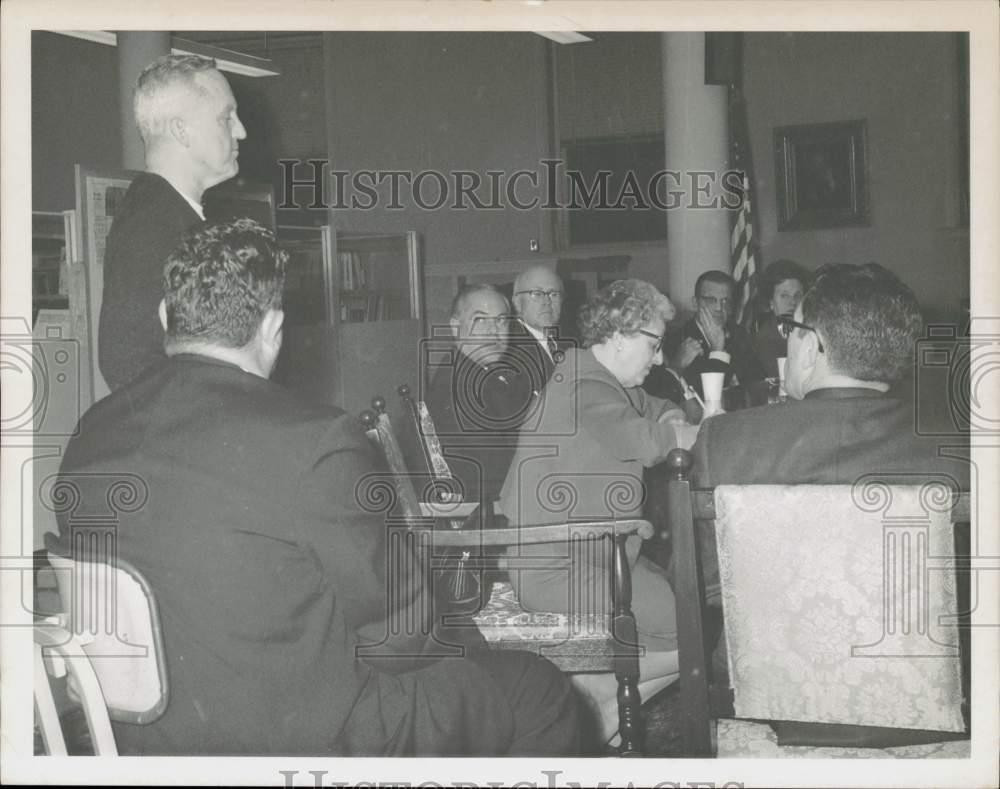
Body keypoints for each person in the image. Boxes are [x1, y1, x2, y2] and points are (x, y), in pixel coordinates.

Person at [50, 219, 580, 756]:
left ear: (166, 317)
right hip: (296, 739)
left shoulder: (91, 432)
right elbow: (402, 632)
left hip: (143, 741)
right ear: (273, 327)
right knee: (536, 688)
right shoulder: (312, 438)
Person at [498, 279, 700, 742]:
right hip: (556, 566)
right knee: (691, 632)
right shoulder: (586, 388)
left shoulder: (606, 381)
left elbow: (663, 407)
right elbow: (650, 440)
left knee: (684, 607)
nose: (660, 358)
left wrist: (671, 417)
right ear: (619, 335)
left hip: (595, 550)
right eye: (654, 345)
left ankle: (598, 701)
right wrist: (681, 430)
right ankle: (591, 699)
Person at [98, 54, 247, 391]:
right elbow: (125, 361)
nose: (241, 130)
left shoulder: (167, 212)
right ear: (182, 130)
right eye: (227, 117)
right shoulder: (153, 225)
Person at [423, 285, 533, 507]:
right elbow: (495, 473)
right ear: (456, 327)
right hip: (491, 516)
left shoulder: (481, 374)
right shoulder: (461, 388)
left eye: (501, 320)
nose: (494, 331)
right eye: (481, 320)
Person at [667, 270, 765, 400]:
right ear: (695, 303)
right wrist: (717, 350)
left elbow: (758, 381)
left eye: (725, 301)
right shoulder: (677, 340)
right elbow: (703, 398)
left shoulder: (739, 334)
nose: (719, 308)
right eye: (711, 300)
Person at [506, 265, 566, 398]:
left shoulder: (566, 347)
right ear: (517, 302)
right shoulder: (508, 351)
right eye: (537, 294)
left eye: (554, 294)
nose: (547, 302)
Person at [749, 259, 810, 379]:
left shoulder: (811, 331)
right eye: (784, 296)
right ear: (771, 302)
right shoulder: (765, 340)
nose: (792, 302)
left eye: (797, 296)